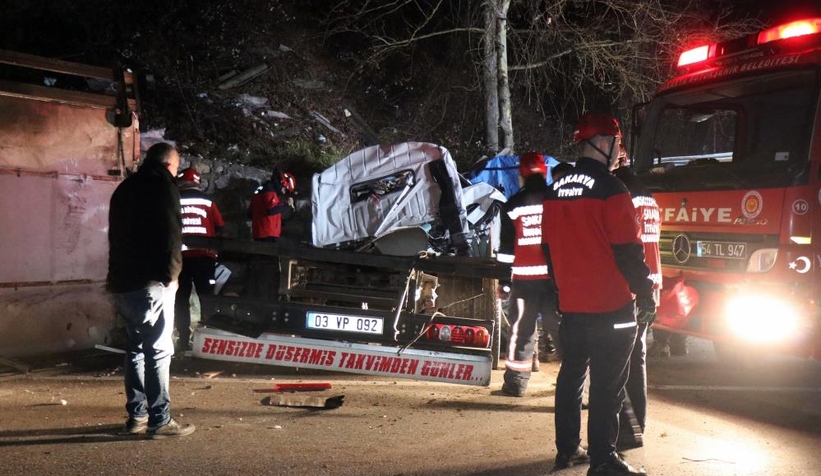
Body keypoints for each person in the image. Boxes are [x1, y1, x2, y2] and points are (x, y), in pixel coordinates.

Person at [541, 112, 654, 476]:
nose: (620, 151)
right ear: (603, 143)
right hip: (611, 307)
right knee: (607, 385)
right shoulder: (612, 189)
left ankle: (567, 450)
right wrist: (646, 293)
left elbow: (548, 249)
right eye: (618, 143)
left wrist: (561, 290)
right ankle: (603, 460)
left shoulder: (554, 190)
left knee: (571, 377)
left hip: (572, 307)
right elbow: (628, 250)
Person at [107, 142, 195, 438]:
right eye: (177, 167)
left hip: (122, 283)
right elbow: (171, 236)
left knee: (135, 349)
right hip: (151, 285)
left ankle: (137, 417)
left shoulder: (125, 188)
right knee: (158, 349)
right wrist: (172, 278)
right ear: (169, 164)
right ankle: (160, 420)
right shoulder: (163, 188)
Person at [496, 152, 562, 396]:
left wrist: (504, 282)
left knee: (521, 331)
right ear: (544, 173)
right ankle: (579, 386)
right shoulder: (556, 199)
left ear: (521, 175)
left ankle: (516, 384)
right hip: (556, 282)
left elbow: (506, 249)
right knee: (562, 331)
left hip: (525, 282)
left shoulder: (513, 204)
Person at [613, 150, 662, 452]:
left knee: (624, 357)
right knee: (637, 355)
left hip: (633, 286)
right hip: (651, 283)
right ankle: (636, 427)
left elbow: (627, 246)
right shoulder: (648, 195)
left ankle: (628, 430)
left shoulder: (622, 193)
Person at [174, 167, 225, 351]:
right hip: (204, 256)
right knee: (207, 297)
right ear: (197, 183)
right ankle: (209, 338)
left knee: (181, 298)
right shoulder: (207, 201)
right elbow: (219, 226)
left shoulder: (173, 199)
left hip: (180, 257)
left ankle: (183, 339)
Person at [247, 171, 296, 299]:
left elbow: (250, 213)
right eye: (285, 189)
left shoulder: (259, 193)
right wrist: (287, 204)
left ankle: (256, 296)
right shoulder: (270, 193)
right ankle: (267, 297)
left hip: (258, 235)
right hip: (269, 237)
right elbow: (272, 210)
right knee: (269, 270)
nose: (284, 192)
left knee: (259, 269)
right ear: (282, 184)